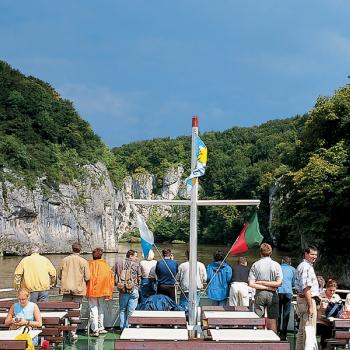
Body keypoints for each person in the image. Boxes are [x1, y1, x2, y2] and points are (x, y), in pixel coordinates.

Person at [57, 241, 90, 340]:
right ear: (80, 250)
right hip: (78, 290)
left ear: (72, 249)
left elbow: (59, 275)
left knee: (65, 311)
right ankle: (73, 332)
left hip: (66, 290)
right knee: (76, 312)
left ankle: (63, 331)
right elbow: (88, 277)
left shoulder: (64, 260)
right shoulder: (83, 261)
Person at [248, 243, 283, 332]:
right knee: (272, 321)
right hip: (273, 293)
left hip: (260, 293)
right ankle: (274, 342)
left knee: (259, 320)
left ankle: (260, 342)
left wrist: (262, 283)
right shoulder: (276, 265)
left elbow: (251, 284)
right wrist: (269, 288)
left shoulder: (255, 265)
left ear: (260, 252)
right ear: (270, 253)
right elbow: (279, 283)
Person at [294, 245, 319, 350]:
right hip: (307, 300)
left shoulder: (302, 265)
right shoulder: (306, 267)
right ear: (306, 254)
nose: (314, 257)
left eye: (316, 254)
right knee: (309, 331)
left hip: (302, 300)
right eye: (312, 254)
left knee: (302, 331)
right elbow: (306, 288)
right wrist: (310, 306)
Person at [86, 247, 114, 337]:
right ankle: (101, 327)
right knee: (101, 308)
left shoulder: (89, 264)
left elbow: (86, 277)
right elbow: (110, 279)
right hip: (103, 290)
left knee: (93, 309)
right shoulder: (106, 265)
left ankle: (95, 329)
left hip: (91, 290)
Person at [114, 249, 141, 330]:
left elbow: (112, 274)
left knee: (122, 309)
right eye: (136, 256)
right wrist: (137, 286)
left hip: (122, 289)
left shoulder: (118, 263)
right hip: (133, 289)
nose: (137, 258)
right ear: (131, 256)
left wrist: (116, 284)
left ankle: (122, 328)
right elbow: (139, 277)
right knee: (131, 310)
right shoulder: (136, 265)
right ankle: (128, 327)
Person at [317, 279, 342, 350]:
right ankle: (322, 347)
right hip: (320, 321)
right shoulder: (320, 296)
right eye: (330, 290)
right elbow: (316, 308)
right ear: (326, 288)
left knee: (338, 330)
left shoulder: (337, 297)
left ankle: (333, 347)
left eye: (334, 290)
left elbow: (340, 309)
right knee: (326, 329)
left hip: (332, 322)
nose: (332, 292)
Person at [277, 256, 296, 340]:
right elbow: (294, 283)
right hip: (288, 292)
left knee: (278, 313)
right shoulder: (293, 269)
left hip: (279, 291)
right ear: (290, 262)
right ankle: (283, 335)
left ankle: (277, 331)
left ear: (282, 261)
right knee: (286, 314)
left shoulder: (278, 267)